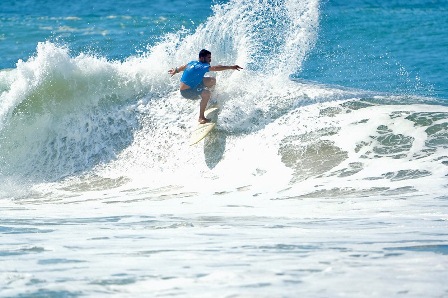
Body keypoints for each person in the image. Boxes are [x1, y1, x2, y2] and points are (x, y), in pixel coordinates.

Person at [168, 49, 243, 124]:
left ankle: (211, 99)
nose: (210, 60)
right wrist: (231, 67)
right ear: (202, 58)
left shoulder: (193, 62)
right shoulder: (201, 66)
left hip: (193, 84)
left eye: (210, 58)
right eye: (208, 58)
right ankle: (201, 117)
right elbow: (215, 68)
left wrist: (176, 70)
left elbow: (184, 67)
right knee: (206, 93)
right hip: (187, 91)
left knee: (212, 81)